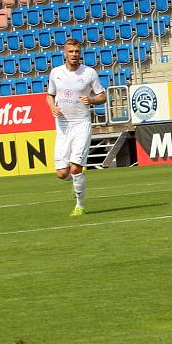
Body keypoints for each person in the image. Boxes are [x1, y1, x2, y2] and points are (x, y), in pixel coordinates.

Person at [46, 38, 106, 216]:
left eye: (77, 52)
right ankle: (75, 182)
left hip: (81, 124)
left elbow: (102, 96)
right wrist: (52, 107)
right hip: (63, 126)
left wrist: (92, 100)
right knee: (62, 173)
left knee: (75, 167)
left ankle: (80, 205)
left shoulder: (89, 73)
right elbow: (49, 95)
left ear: (80, 53)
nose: (74, 55)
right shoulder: (55, 73)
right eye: (71, 51)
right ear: (64, 53)